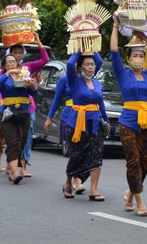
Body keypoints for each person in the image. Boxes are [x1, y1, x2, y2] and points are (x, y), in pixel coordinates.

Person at [110, 17, 147, 217]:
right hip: (127, 123)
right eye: (135, 55)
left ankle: (131, 192)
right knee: (133, 161)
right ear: (129, 58)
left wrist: (144, 37)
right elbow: (114, 51)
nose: (139, 58)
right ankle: (140, 201)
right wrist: (115, 26)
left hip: (146, 121)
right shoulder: (123, 74)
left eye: (141, 55)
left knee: (146, 161)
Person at [46, 52, 108, 199]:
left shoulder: (97, 83)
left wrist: (91, 46)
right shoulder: (74, 81)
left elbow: (100, 104)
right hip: (76, 123)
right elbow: (69, 64)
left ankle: (94, 190)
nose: (91, 67)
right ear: (79, 67)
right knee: (76, 156)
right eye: (87, 64)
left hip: (95, 124)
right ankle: (69, 182)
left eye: (92, 64)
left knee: (96, 156)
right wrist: (79, 49)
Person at [6, 33, 49, 178]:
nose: (17, 56)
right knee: (13, 138)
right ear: (10, 55)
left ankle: (23, 165)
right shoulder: (6, 70)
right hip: (10, 109)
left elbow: (45, 59)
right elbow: (0, 88)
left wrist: (38, 41)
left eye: (20, 53)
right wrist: (2, 105)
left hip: (27, 108)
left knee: (26, 137)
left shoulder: (28, 67)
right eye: (14, 53)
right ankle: (12, 164)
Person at [0, 54, 38, 184]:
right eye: (10, 62)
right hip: (8, 114)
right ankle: (15, 173)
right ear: (4, 66)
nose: (13, 64)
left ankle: (11, 167)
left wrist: (32, 86)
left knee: (21, 142)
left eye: (14, 61)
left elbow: (34, 93)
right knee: (13, 142)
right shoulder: (3, 77)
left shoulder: (24, 75)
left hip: (24, 113)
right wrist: (8, 74)